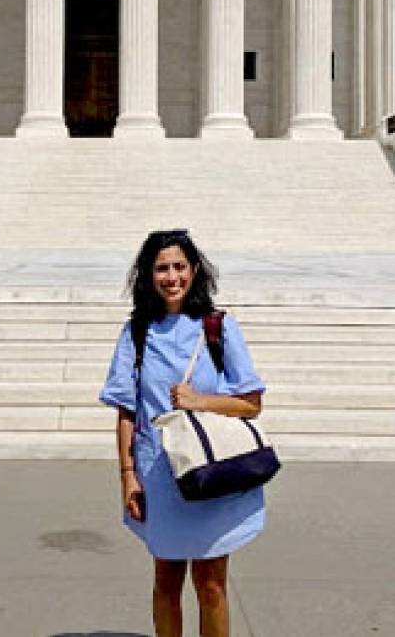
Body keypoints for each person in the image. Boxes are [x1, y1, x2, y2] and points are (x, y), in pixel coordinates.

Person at [100, 229, 267, 637]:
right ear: (147, 274)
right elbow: (126, 410)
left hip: (210, 470)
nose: (171, 276)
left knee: (211, 584)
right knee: (166, 581)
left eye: (179, 266)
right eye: (162, 268)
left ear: (194, 271)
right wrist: (128, 476)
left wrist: (200, 401)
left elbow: (251, 403)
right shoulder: (137, 333)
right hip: (158, 473)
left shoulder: (218, 327)